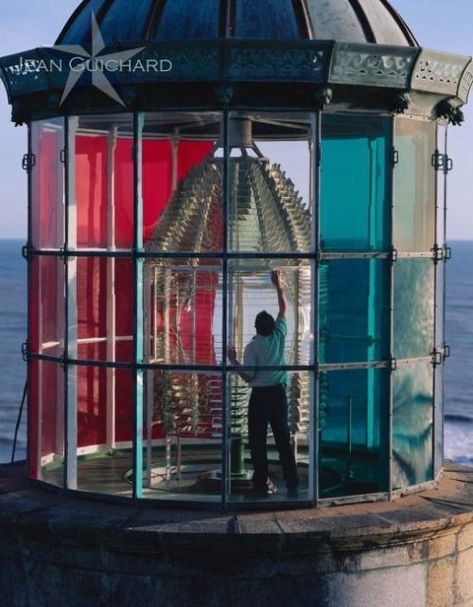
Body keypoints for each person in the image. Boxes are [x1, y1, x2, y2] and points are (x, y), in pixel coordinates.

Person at [227, 270, 299, 498]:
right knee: (283, 439)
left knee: (258, 441)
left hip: (260, 396)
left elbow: (248, 377)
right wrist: (278, 286)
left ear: (256, 329)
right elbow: (284, 309)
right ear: (272, 326)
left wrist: (233, 360)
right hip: (278, 394)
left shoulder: (253, 347)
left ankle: (261, 482)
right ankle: (292, 481)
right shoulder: (279, 335)